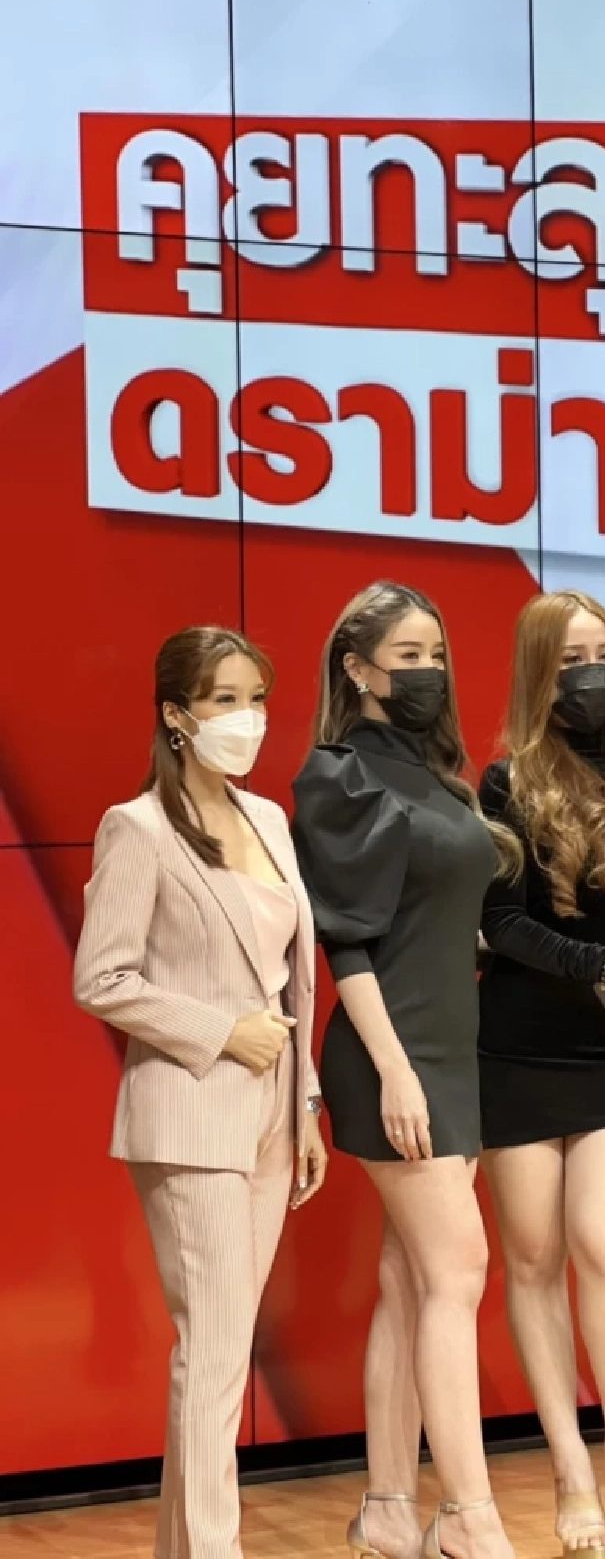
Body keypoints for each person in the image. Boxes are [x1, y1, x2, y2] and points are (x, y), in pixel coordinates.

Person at [74, 625, 326, 1559]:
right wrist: (222, 1032)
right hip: (190, 1110)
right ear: (177, 715)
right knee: (214, 1353)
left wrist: (304, 1105)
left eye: (256, 698)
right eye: (225, 700)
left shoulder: (268, 820)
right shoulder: (136, 827)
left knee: (224, 1348)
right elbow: (102, 978)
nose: (248, 719)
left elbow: (291, 978)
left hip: (270, 1109)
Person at [290, 581, 523, 1559]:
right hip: (394, 1056)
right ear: (357, 668)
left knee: (411, 1278)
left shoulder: (438, 776)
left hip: (451, 1052)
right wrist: (394, 1072)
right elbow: (346, 943)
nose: (428, 671)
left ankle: (388, 1509)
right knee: (458, 1269)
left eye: (436, 654)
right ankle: (468, 1517)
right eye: (407, 656)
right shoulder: (339, 777)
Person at [477, 592, 605, 1559]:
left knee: (602, 1242)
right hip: (518, 1045)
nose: (592, 673)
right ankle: (569, 1471)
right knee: (531, 1259)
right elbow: (503, 926)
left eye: (604, 653)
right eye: (570, 661)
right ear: (538, 672)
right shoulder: (505, 781)